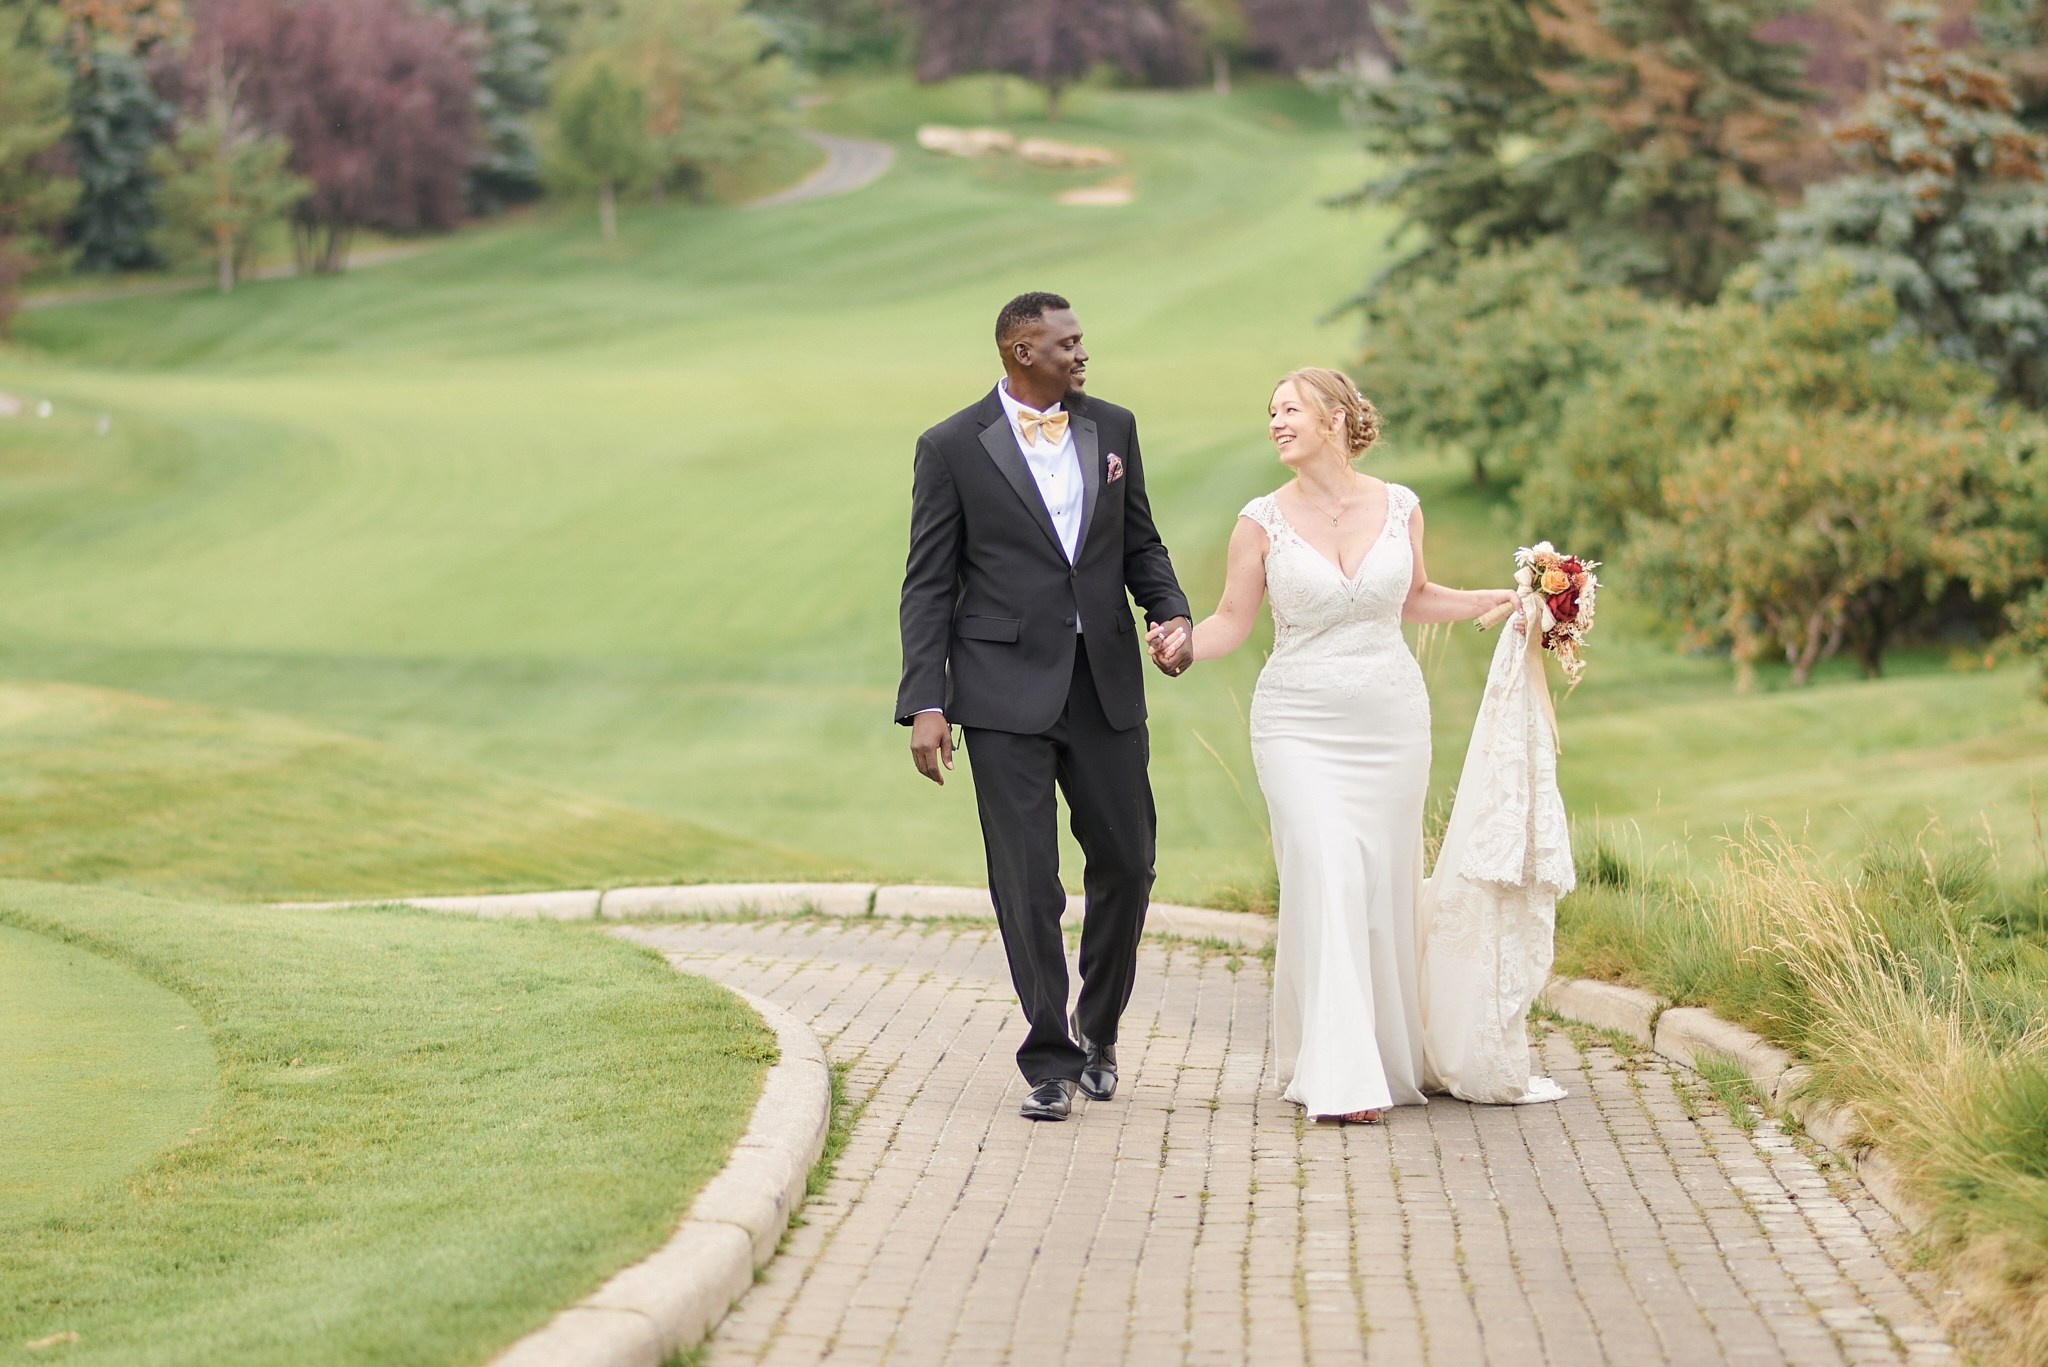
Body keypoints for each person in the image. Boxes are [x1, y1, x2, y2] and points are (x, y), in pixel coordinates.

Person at [1147, 368, 1513, 1124]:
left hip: (1390, 722)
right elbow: (1229, 620)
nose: (1276, 422)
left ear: (1337, 418)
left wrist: (1491, 600)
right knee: (1328, 869)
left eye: (1290, 409)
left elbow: (1414, 597)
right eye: (1271, 411)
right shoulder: (1259, 521)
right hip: (1297, 724)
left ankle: (1380, 1057)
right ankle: (1340, 1077)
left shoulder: (1399, 505)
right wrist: (1183, 644)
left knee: (1380, 886)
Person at [896, 292, 1194, 1123]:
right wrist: (927, 699)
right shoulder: (951, 447)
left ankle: (1098, 1031)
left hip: (1104, 686)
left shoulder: (1113, 428)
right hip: (999, 694)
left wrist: (1168, 615)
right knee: (1027, 881)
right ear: (1022, 351)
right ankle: (1049, 1058)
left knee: (1129, 865)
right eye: (1066, 343)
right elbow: (927, 584)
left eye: (1080, 340)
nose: (1081, 353)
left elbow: (1141, 542)